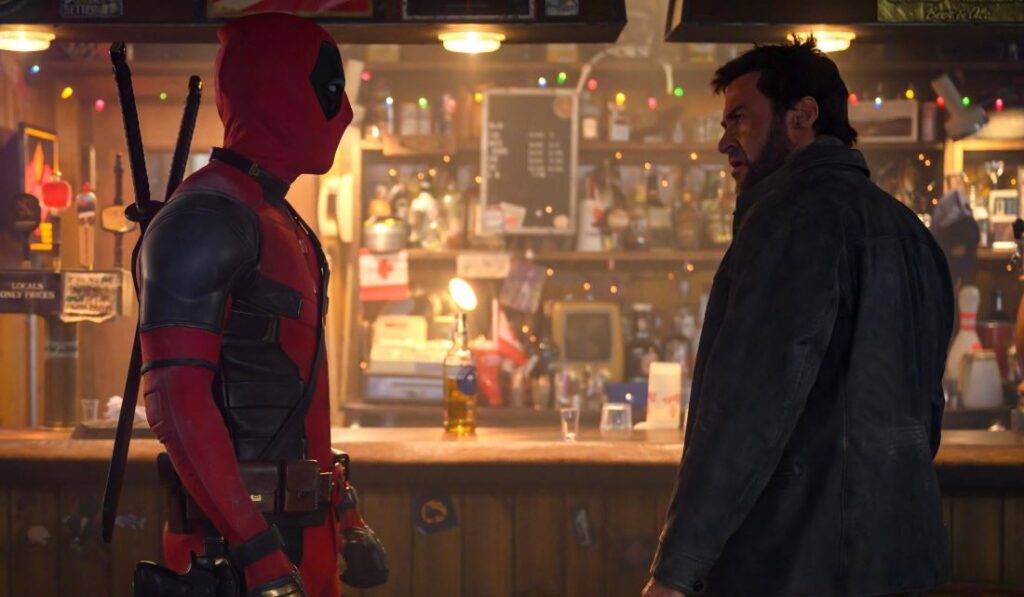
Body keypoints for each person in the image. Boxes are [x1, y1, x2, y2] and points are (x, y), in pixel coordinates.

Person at [643, 40, 953, 597]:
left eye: (740, 118)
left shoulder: (790, 221)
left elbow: (746, 412)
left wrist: (675, 572)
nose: (723, 142)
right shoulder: (910, 232)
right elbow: (927, 413)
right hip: (903, 558)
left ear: (802, 116)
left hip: (797, 563)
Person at [138, 13, 386, 597]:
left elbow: (293, 406)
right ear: (277, 89)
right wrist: (256, 550)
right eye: (329, 89)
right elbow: (175, 402)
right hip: (234, 555)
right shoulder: (209, 217)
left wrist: (345, 512)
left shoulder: (269, 215)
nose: (344, 112)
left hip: (288, 542)